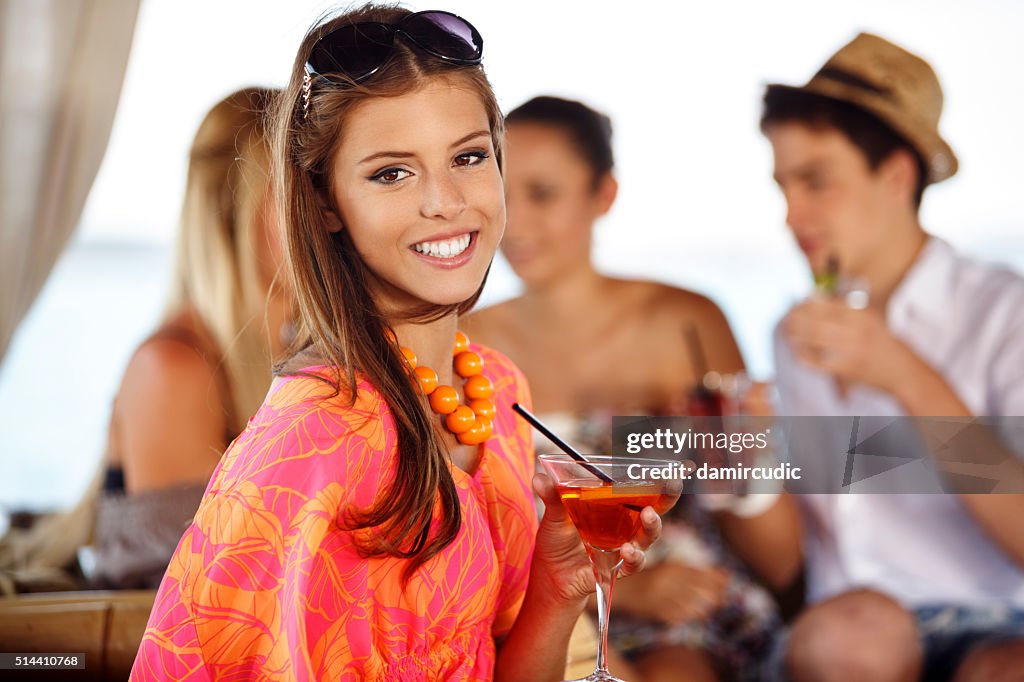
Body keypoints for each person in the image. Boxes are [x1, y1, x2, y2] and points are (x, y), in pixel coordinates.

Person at [131, 6, 662, 681]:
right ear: (326, 203)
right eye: (391, 173)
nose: (445, 201)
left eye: (468, 157)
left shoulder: (497, 393)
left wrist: (556, 589)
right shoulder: (316, 438)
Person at [465, 96, 799, 682]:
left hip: (684, 603)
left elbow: (780, 559)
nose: (513, 220)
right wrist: (610, 594)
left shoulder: (687, 323)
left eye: (542, 194)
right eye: (501, 189)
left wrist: (741, 454)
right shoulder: (468, 344)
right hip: (534, 606)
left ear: (604, 195)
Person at [761, 32, 1024, 681]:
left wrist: (903, 374)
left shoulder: (1002, 313)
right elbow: (791, 560)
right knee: (849, 641)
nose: (792, 215)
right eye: (783, 185)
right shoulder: (790, 336)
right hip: (846, 632)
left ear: (898, 175)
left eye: (815, 181)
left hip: (993, 623)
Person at [88, 87, 291, 589]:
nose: (330, 214)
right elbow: (210, 588)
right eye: (299, 192)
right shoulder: (172, 368)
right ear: (233, 212)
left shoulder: (302, 356)